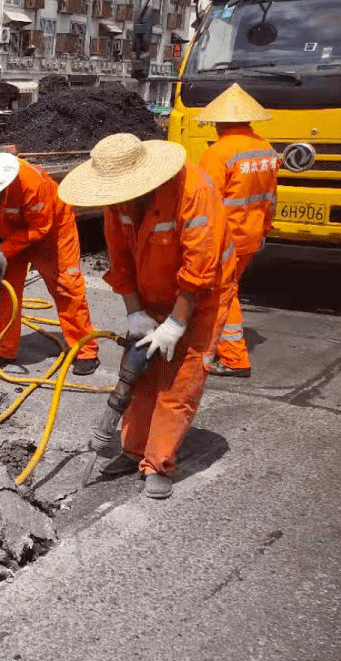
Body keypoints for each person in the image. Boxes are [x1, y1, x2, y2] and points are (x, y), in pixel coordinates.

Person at [58, 134, 236, 500]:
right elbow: (120, 262)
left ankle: (157, 462)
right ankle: (133, 450)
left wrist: (176, 322)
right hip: (149, 294)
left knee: (177, 383)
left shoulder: (192, 190)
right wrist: (135, 312)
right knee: (140, 377)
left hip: (200, 297)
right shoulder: (117, 203)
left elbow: (201, 267)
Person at [0, 152, 100, 375]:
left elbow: (41, 227)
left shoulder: (30, 182)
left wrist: (4, 251)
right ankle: (5, 350)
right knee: (5, 290)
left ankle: (85, 350)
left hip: (53, 232)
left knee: (66, 287)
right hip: (15, 235)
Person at [197, 83, 279, 378]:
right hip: (252, 235)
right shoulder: (266, 150)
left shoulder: (218, 153)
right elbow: (270, 197)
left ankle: (233, 358)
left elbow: (203, 203)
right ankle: (220, 348)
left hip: (225, 239)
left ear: (221, 122)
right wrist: (265, 229)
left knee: (222, 294)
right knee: (227, 291)